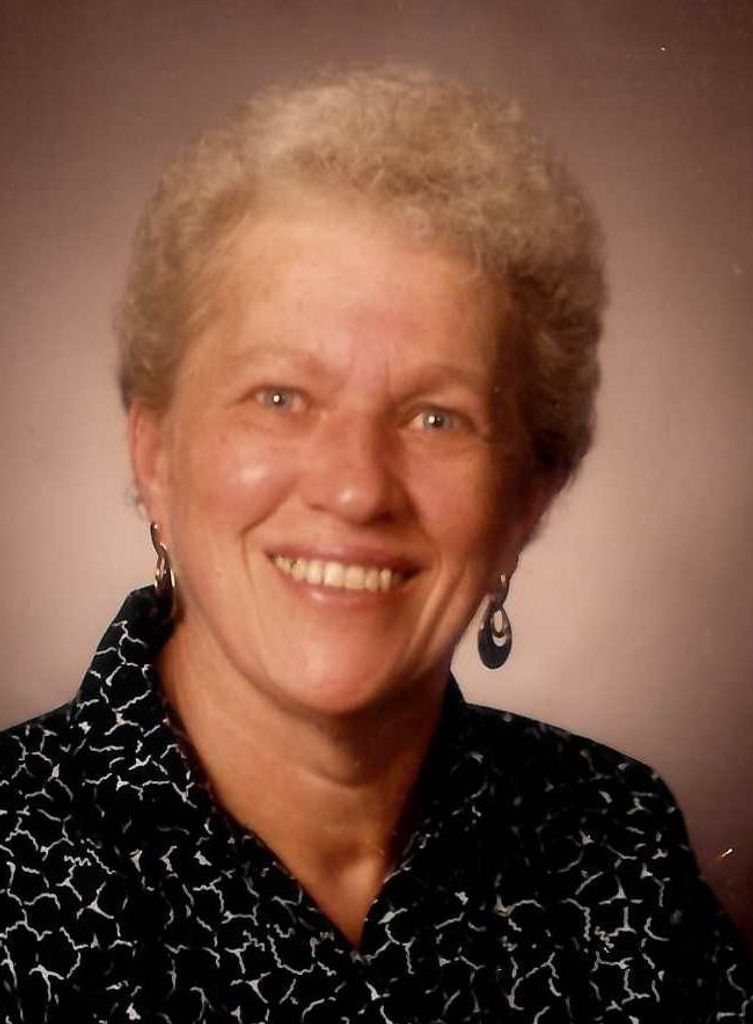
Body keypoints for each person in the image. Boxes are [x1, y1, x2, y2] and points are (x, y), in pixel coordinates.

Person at [0, 66, 751, 1024]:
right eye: (280, 397)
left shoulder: (618, 842)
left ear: (528, 497)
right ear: (154, 455)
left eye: (437, 417)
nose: (356, 487)